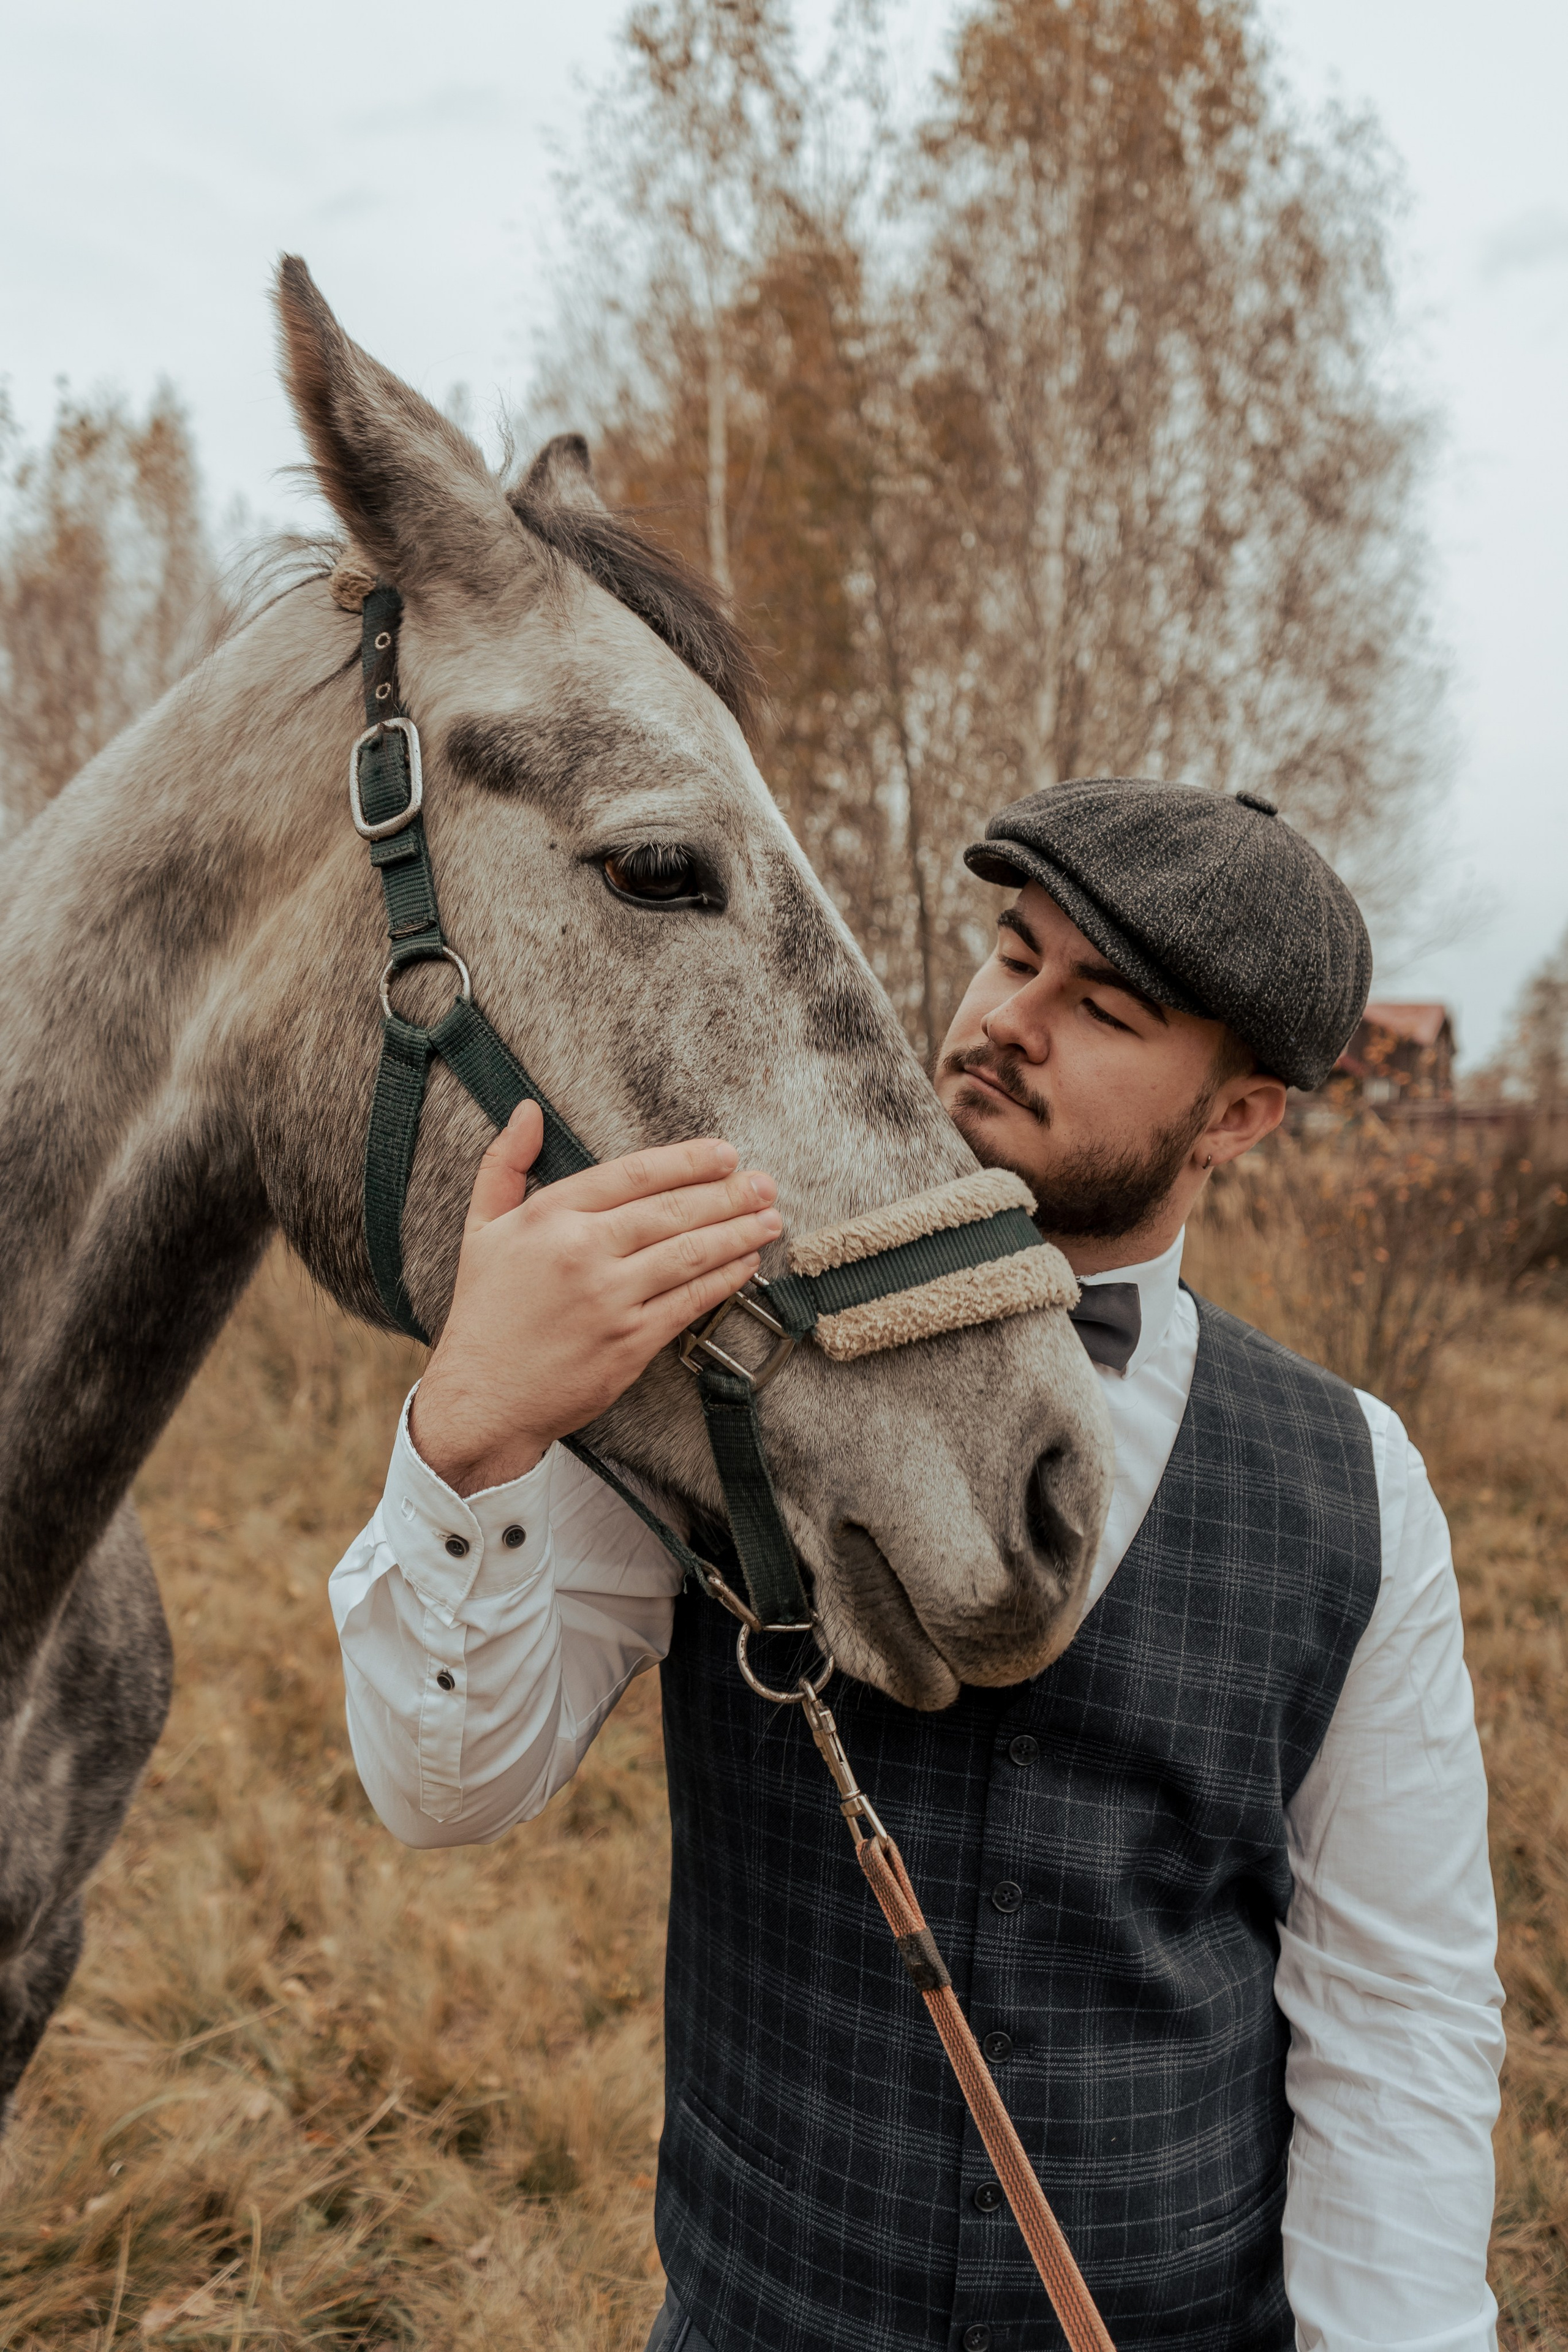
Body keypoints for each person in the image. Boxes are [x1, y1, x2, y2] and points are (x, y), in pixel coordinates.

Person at [329, 778, 1503, 2352]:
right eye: (1010, 954)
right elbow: (443, 1784)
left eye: (1099, 1006)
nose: (1008, 1018)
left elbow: (1396, 2007)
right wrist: (469, 1431)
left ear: (1234, 1116)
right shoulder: (717, 1349)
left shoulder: (1357, 1482)